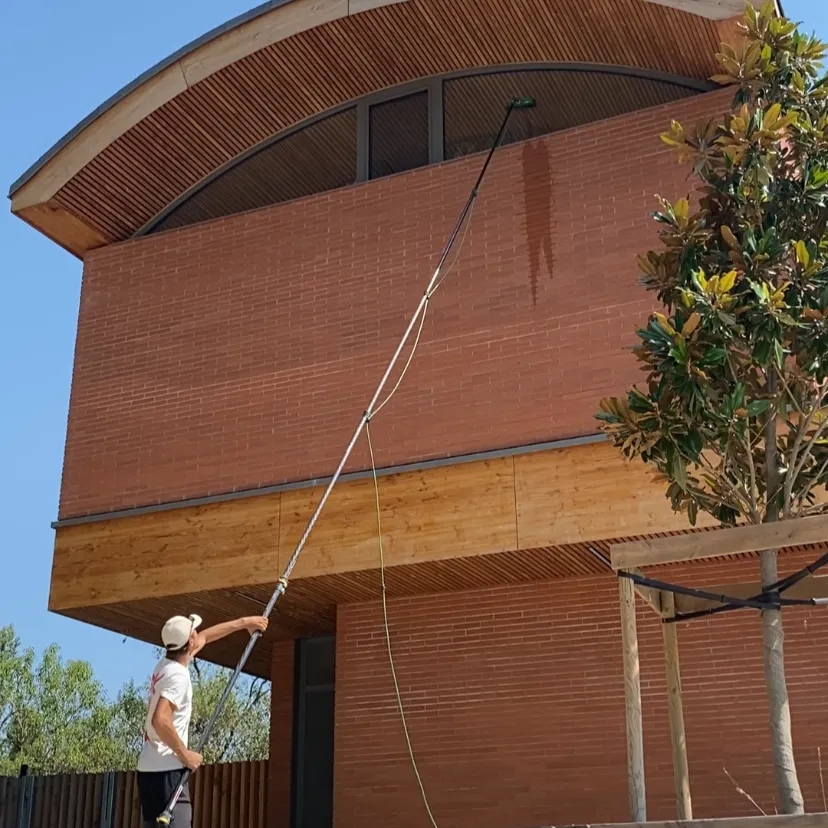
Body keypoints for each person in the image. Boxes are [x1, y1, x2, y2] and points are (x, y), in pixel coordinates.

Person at [137, 613, 268, 828]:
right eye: (193, 631)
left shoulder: (166, 664)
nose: (198, 633)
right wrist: (185, 754)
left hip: (149, 770)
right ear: (188, 641)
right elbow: (159, 720)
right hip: (168, 771)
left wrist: (246, 623)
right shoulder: (178, 676)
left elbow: (206, 636)